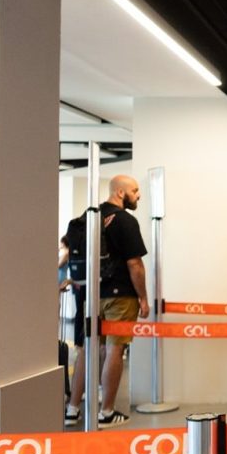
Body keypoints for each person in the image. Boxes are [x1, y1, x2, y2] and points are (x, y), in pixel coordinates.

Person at [64, 175, 149, 428]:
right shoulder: (125, 220)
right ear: (120, 193)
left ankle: (72, 409)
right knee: (115, 349)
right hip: (119, 296)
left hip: (90, 295)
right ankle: (107, 412)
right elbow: (135, 264)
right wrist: (143, 297)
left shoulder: (87, 217)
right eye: (135, 190)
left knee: (86, 349)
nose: (138, 195)